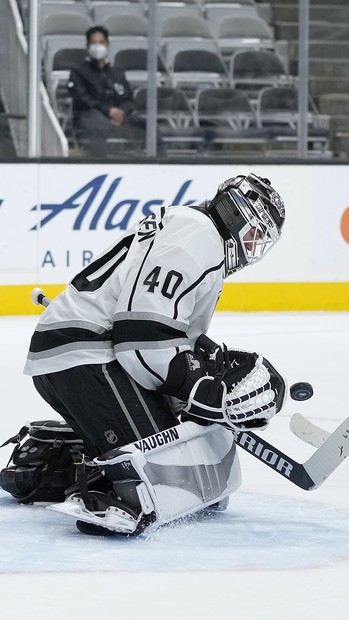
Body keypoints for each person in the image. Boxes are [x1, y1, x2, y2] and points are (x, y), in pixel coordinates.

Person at [2, 174, 287, 535]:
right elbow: (139, 337)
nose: (253, 245)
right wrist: (205, 393)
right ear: (235, 214)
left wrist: (212, 362)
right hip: (88, 357)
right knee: (162, 485)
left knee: (193, 476)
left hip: (80, 356)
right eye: (254, 232)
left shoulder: (197, 237)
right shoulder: (198, 236)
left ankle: (58, 458)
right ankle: (94, 477)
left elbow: (171, 333)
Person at [68, 25, 145, 157]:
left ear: (108, 45)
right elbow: (83, 99)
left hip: (119, 116)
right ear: (87, 46)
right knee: (98, 124)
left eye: (101, 42)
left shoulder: (116, 73)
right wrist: (108, 111)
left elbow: (128, 99)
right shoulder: (79, 72)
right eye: (94, 43)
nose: (98, 47)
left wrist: (121, 112)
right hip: (90, 116)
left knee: (146, 125)